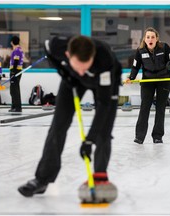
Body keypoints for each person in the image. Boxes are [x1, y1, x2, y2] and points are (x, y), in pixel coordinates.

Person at [18, 35, 122, 197]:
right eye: (78, 66)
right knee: (58, 126)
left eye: (85, 67)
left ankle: (100, 176)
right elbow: (49, 52)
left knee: (104, 130)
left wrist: (89, 140)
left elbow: (104, 107)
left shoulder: (104, 60)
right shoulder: (57, 46)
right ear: (67, 55)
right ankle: (42, 179)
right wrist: (65, 74)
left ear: (92, 57)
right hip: (71, 80)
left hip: (103, 83)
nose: (82, 71)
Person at [125, 27, 170, 144]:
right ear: (145, 39)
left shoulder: (165, 47)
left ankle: (157, 136)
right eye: (148, 37)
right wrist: (131, 77)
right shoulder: (140, 50)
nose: (150, 39)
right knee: (144, 108)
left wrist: (169, 66)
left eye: (153, 37)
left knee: (160, 108)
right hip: (148, 81)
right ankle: (139, 137)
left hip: (163, 80)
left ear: (157, 38)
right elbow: (135, 66)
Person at [9, 36, 24, 112]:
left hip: (15, 71)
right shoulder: (18, 50)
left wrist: (13, 72)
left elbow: (16, 61)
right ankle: (14, 106)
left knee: (14, 90)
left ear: (12, 42)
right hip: (16, 70)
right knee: (13, 89)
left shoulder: (17, 50)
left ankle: (17, 107)